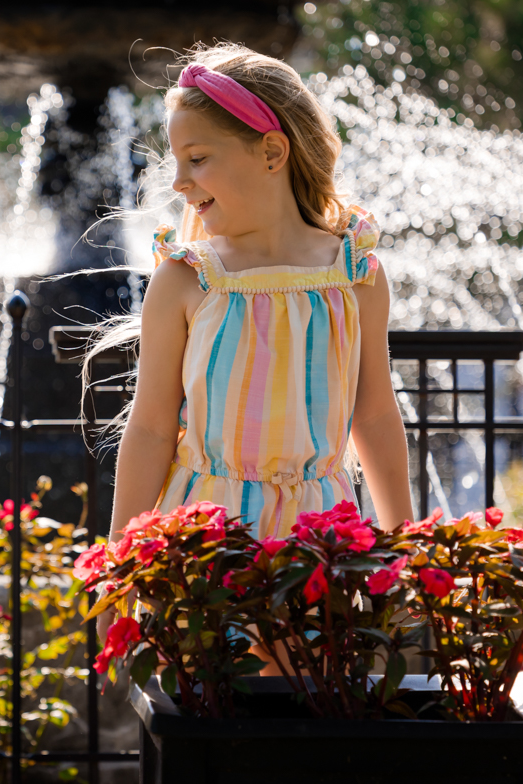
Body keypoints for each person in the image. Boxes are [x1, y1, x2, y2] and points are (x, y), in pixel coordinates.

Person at [78, 41, 414, 671]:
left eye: (198, 158)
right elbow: (150, 429)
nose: (178, 182)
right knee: (212, 718)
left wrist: (405, 548)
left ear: (272, 151)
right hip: (207, 547)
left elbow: (373, 416)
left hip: (323, 542)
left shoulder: (356, 273)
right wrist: (120, 570)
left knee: (314, 715)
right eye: (176, 161)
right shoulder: (187, 279)